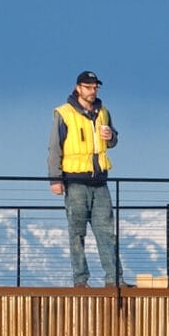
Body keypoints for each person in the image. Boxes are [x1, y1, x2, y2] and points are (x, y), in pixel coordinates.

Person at [49, 71, 120, 287]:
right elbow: (54, 147)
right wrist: (55, 178)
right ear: (78, 88)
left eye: (95, 87)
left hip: (99, 181)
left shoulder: (103, 112)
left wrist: (112, 137)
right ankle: (80, 280)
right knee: (77, 233)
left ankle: (114, 279)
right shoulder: (64, 113)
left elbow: (113, 140)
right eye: (88, 87)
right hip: (75, 181)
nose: (93, 90)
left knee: (107, 232)